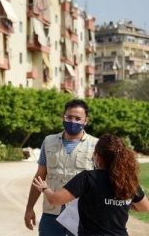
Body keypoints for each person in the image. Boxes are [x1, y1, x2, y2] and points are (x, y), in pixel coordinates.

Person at [32, 133, 149, 235]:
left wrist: (44, 188)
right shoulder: (128, 181)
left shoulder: (88, 178)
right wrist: (119, 204)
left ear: (97, 156)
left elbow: (54, 200)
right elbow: (144, 207)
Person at [24, 99, 98, 235]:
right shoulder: (49, 141)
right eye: (69, 117)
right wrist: (29, 208)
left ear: (86, 121)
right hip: (51, 215)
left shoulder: (95, 145)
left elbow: (102, 182)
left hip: (82, 216)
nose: (73, 122)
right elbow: (39, 177)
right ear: (62, 117)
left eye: (78, 118)